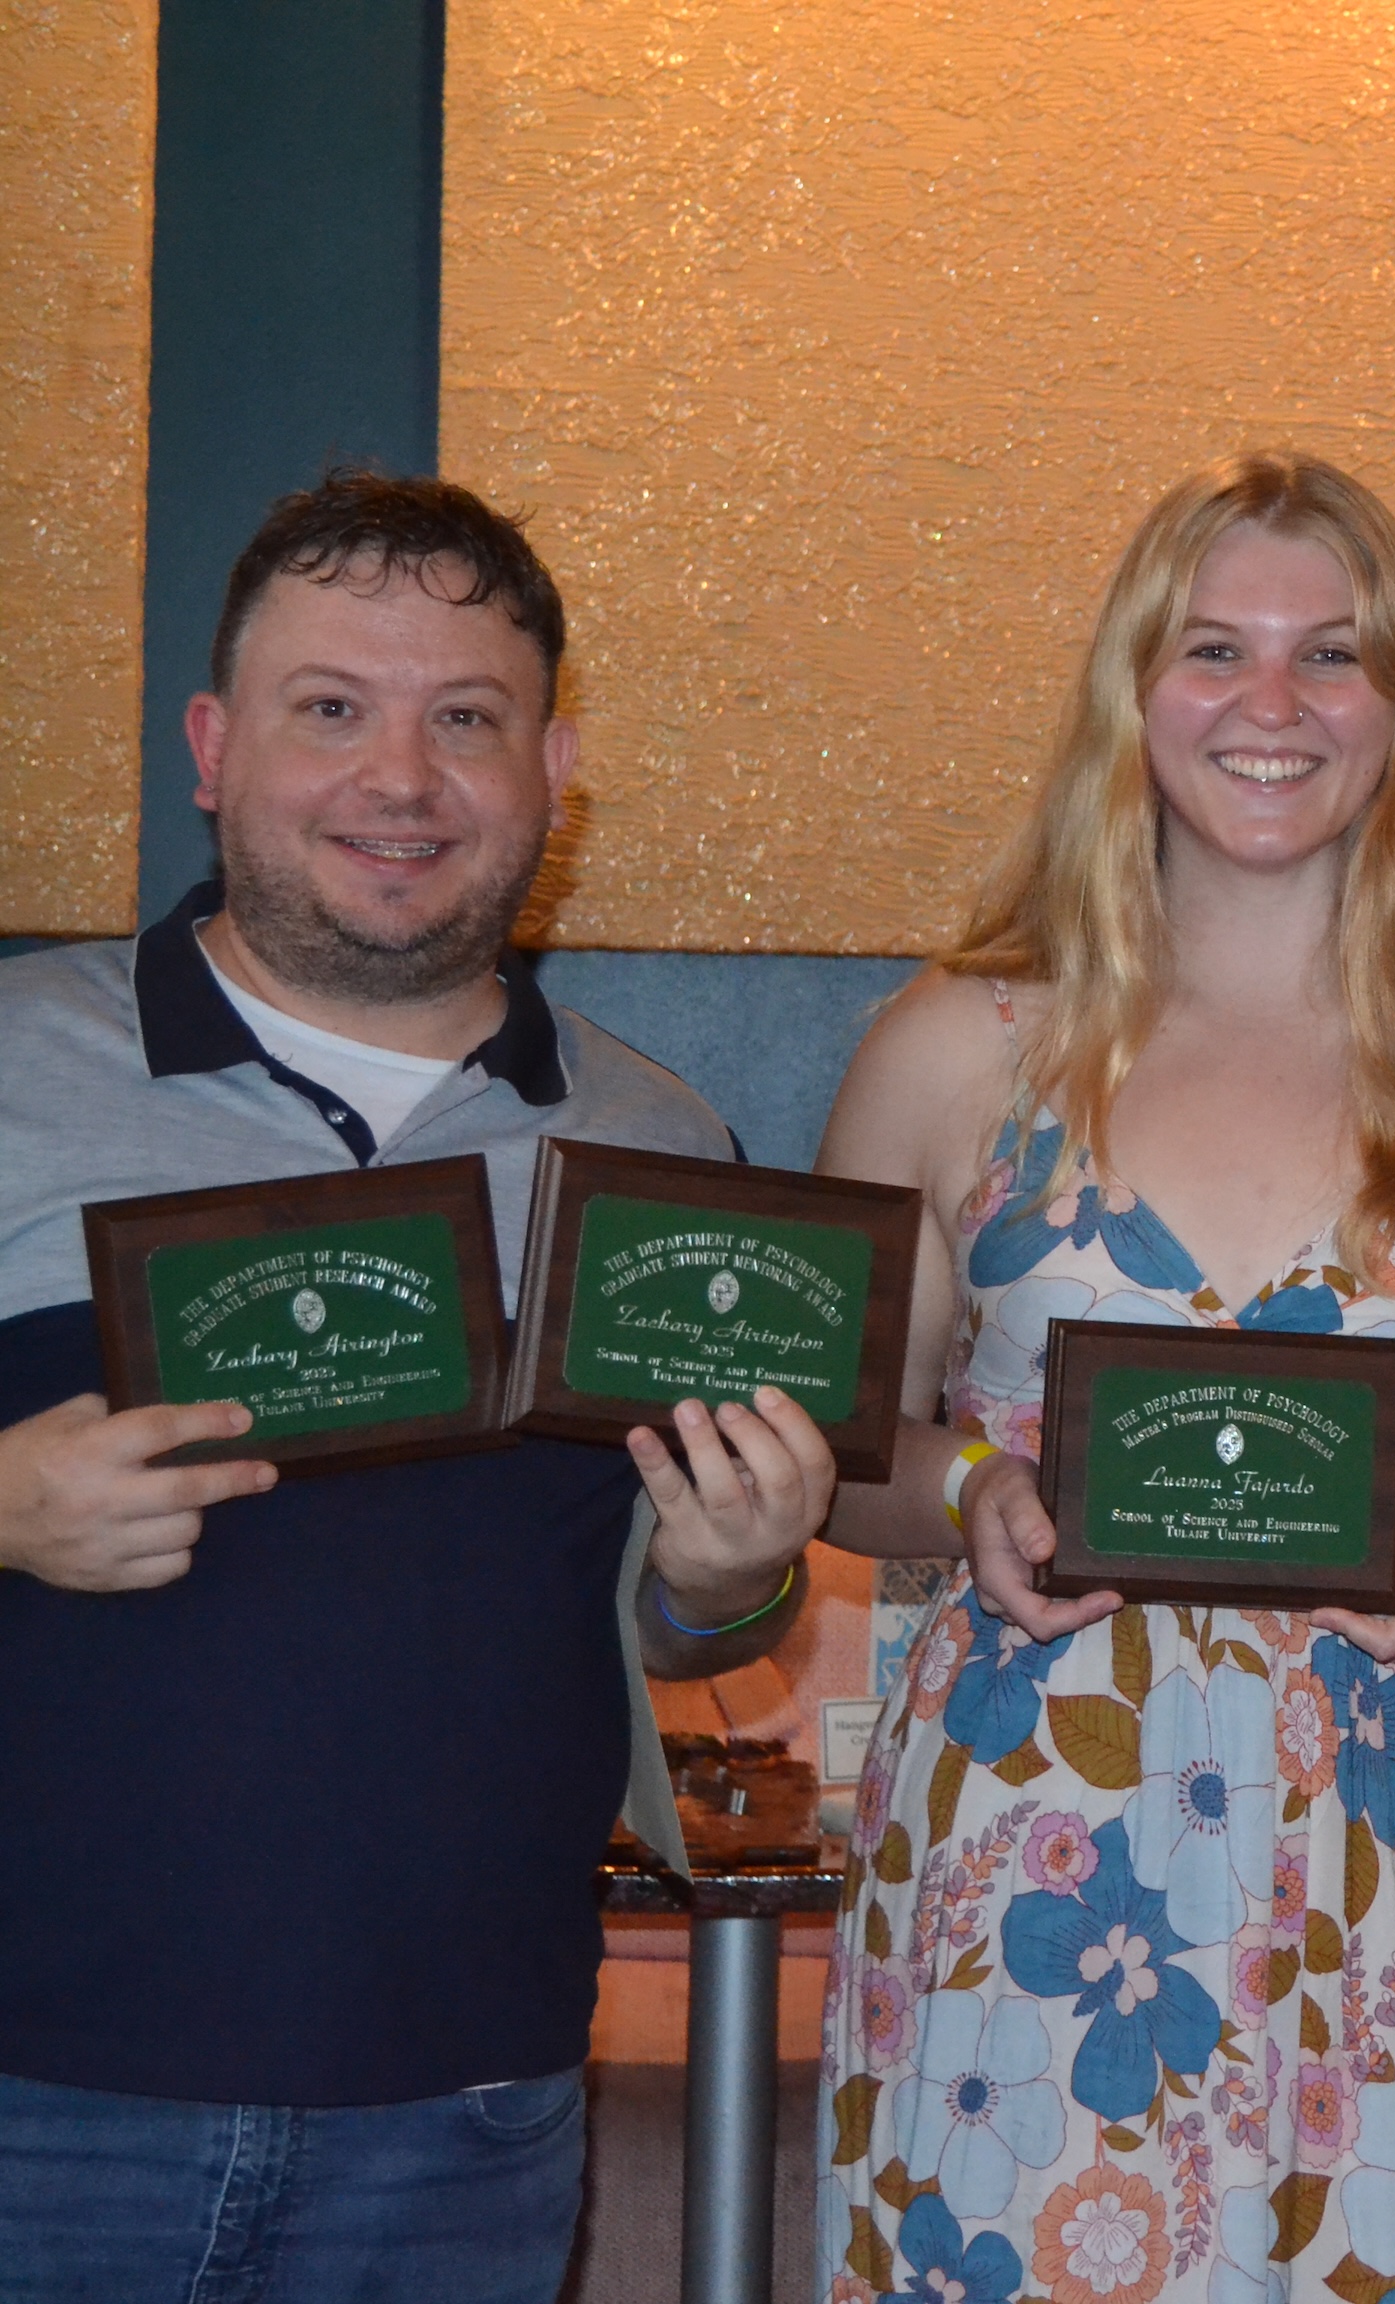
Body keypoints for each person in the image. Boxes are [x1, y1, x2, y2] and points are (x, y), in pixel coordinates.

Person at [810, 450, 1395, 2304]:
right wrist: (977, 1495)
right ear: (1135, 689)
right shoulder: (960, 1050)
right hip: (1026, 1839)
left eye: (1334, 658)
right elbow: (829, 1444)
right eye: (1214, 650)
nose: (1271, 706)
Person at [0, 471, 840, 2302]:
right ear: (213, 749)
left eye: (467, 718)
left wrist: (728, 1577)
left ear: (550, 772)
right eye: (333, 710)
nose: (402, 779)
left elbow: (684, 1626)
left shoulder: (656, 1143)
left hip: (465, 2121)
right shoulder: (10, 1064)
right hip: (30, 2111)